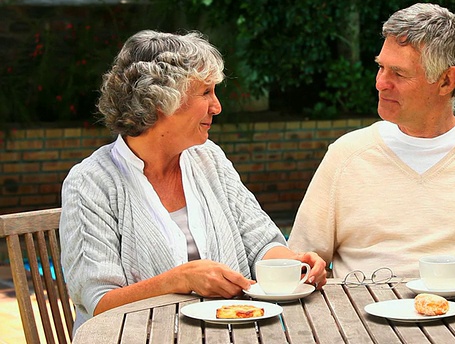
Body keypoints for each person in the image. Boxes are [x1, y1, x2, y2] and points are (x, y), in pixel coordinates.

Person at [60, 30, 327, 331]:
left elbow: (260, 241)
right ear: (161, 101)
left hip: (230, 334)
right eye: (205, 93)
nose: (217, 106)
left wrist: (293, 264)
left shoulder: (208, 158)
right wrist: (180, 279)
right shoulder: (91, 183)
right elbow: (100, 304)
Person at [287, 3, 455, 287]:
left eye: (399, 73)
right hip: (362, 326)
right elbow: (299, 264)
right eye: (381, 67)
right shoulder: (346, 156)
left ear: (446, 81)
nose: (381, 83)